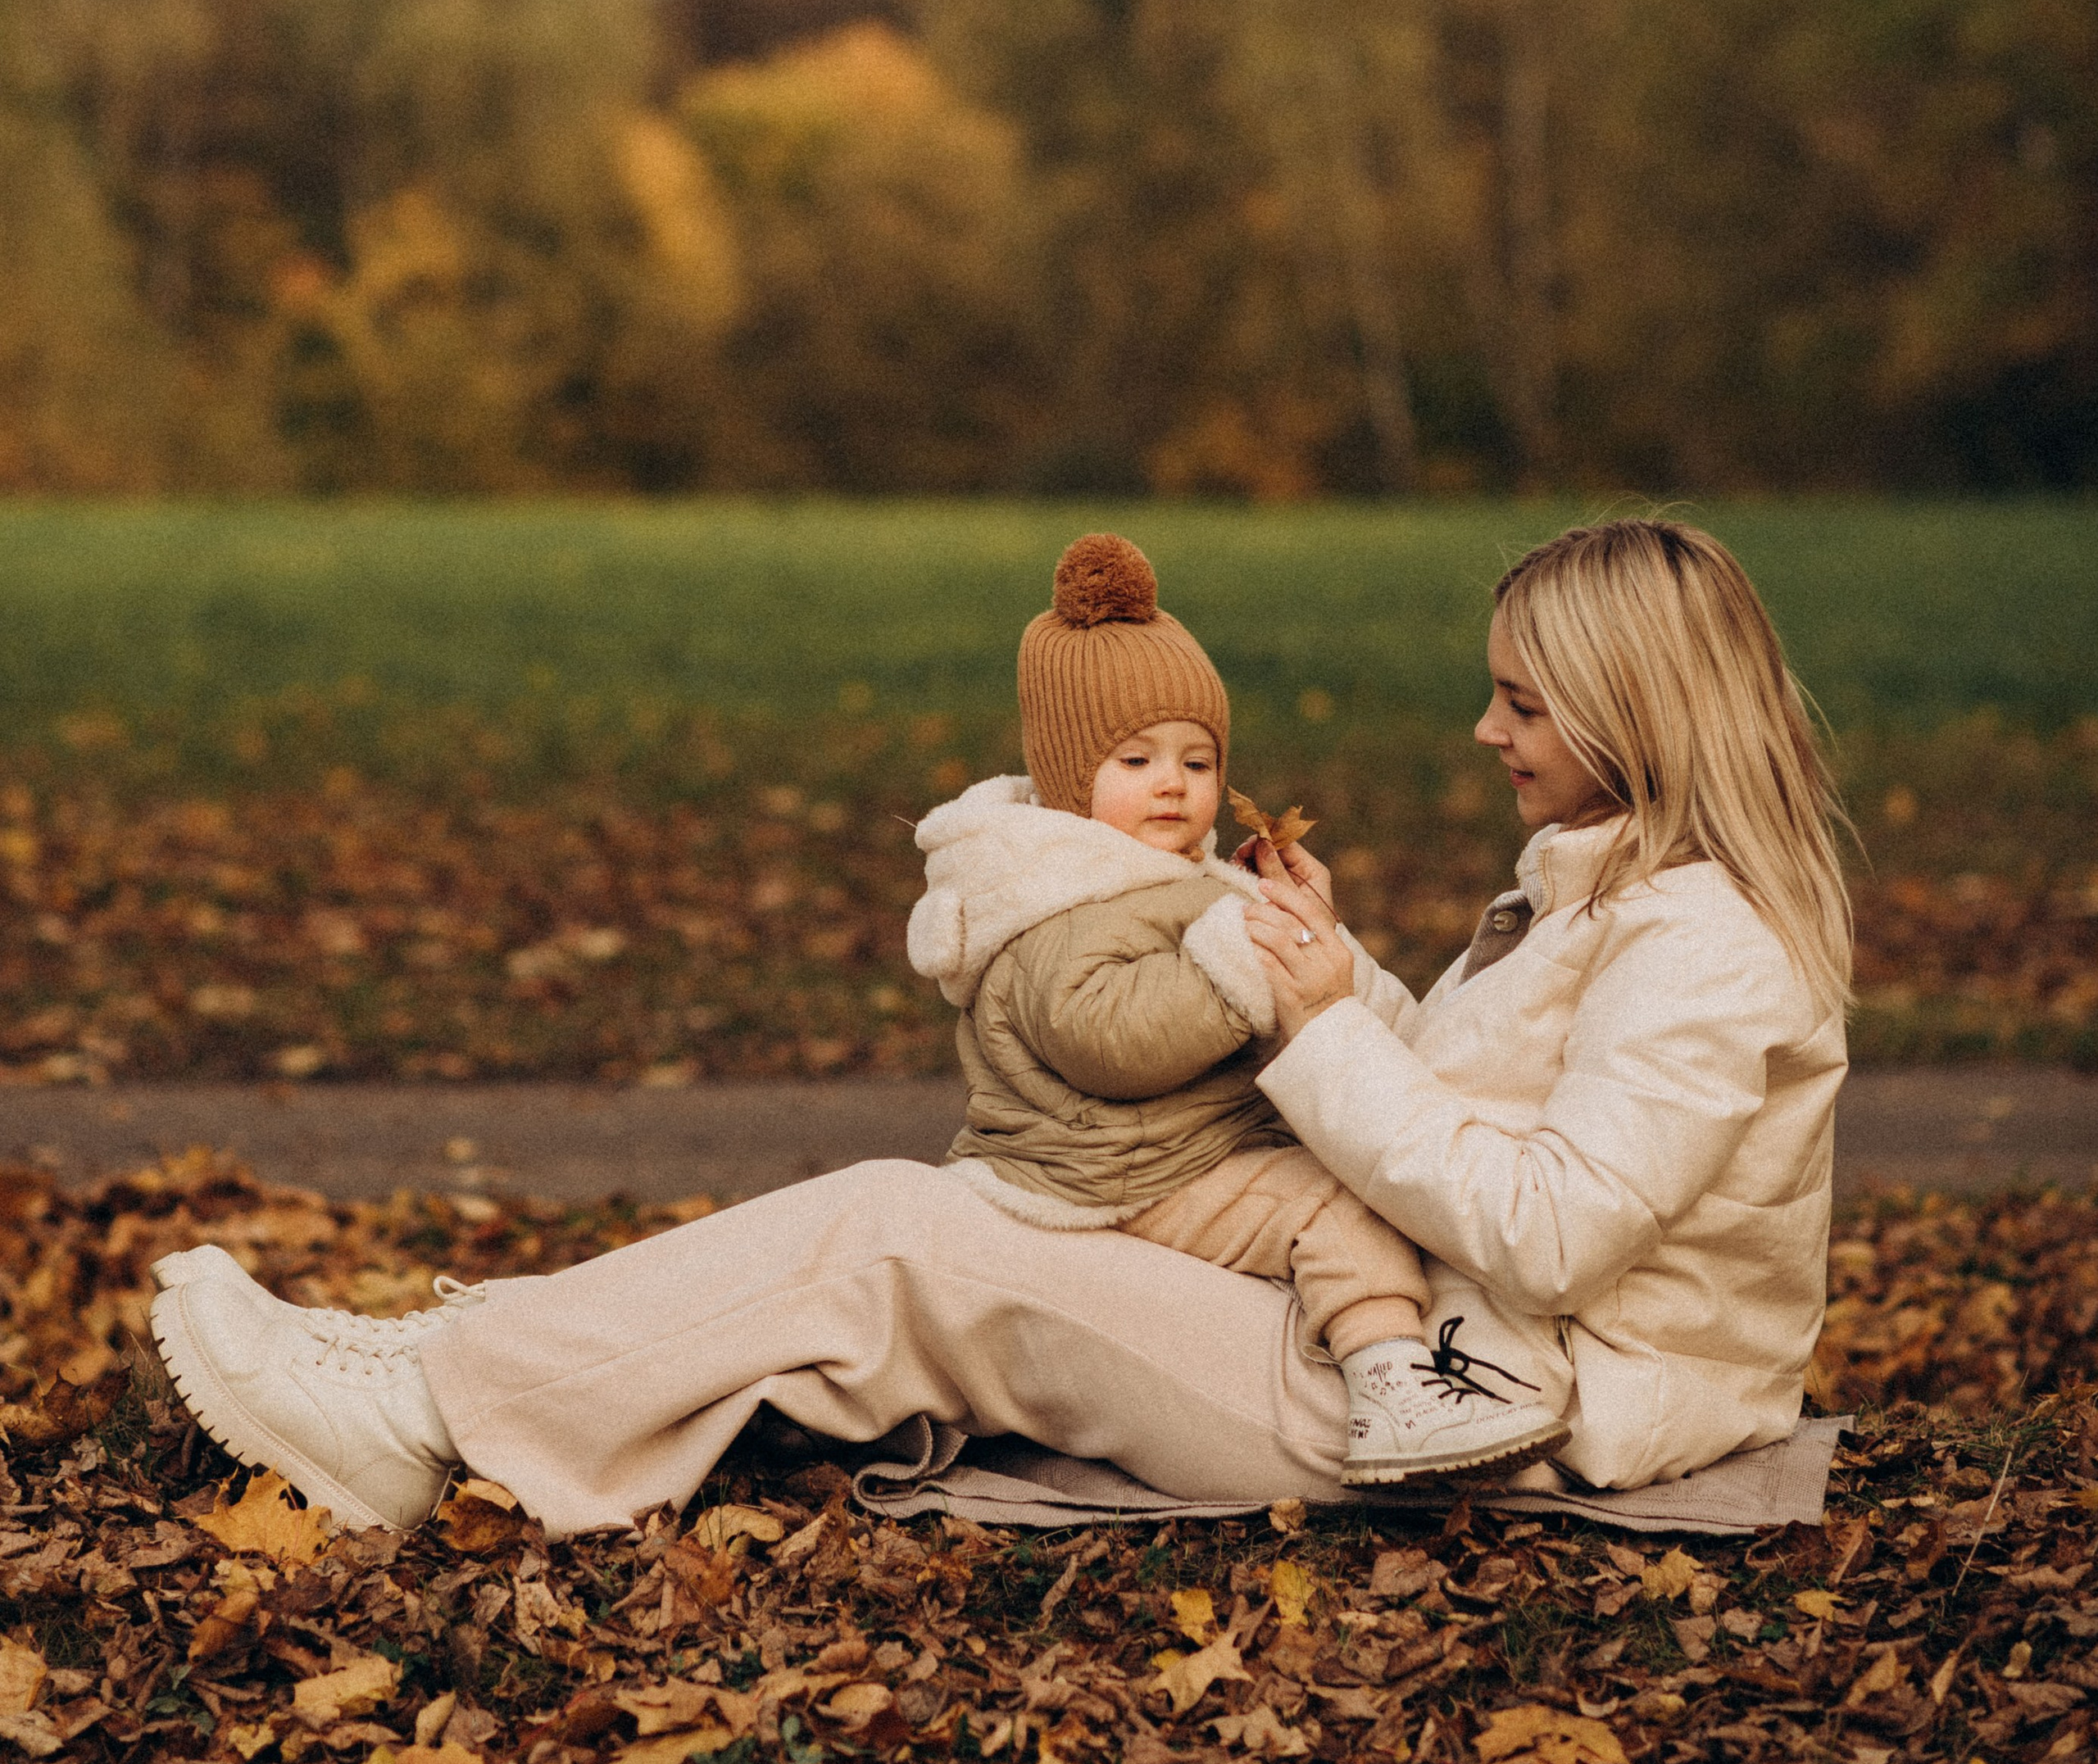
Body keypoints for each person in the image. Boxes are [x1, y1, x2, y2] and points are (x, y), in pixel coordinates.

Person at [148, 516, 1850, 1540]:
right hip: (1415, 1330)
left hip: (1496, 1400)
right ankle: (451, 1370)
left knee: (898, 1236)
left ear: (1632, 711)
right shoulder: (1605, 888)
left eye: (1522, 699)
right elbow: (1460, 1110)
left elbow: (1548, 1233)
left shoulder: (1701, 943)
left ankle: (425, 1401)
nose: (1481, 728)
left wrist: (1321, 1024)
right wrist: (1341, 980)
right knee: (927, 1225)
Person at [909, 531, 1558, 1480]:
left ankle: (1386, 1354)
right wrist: (1237, 958)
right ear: (1064, 775)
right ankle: (1392, 1386)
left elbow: (1317, 1006)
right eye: (1134, 759)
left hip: (1176, 1148)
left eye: (1197, 760)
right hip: (1112, 1176)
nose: (1172, 782)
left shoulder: (1165, 878)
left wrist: (1298, 929)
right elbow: (1109, 1038)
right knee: (1331, 1208)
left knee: (1347, 1174)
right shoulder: (1054, 898)